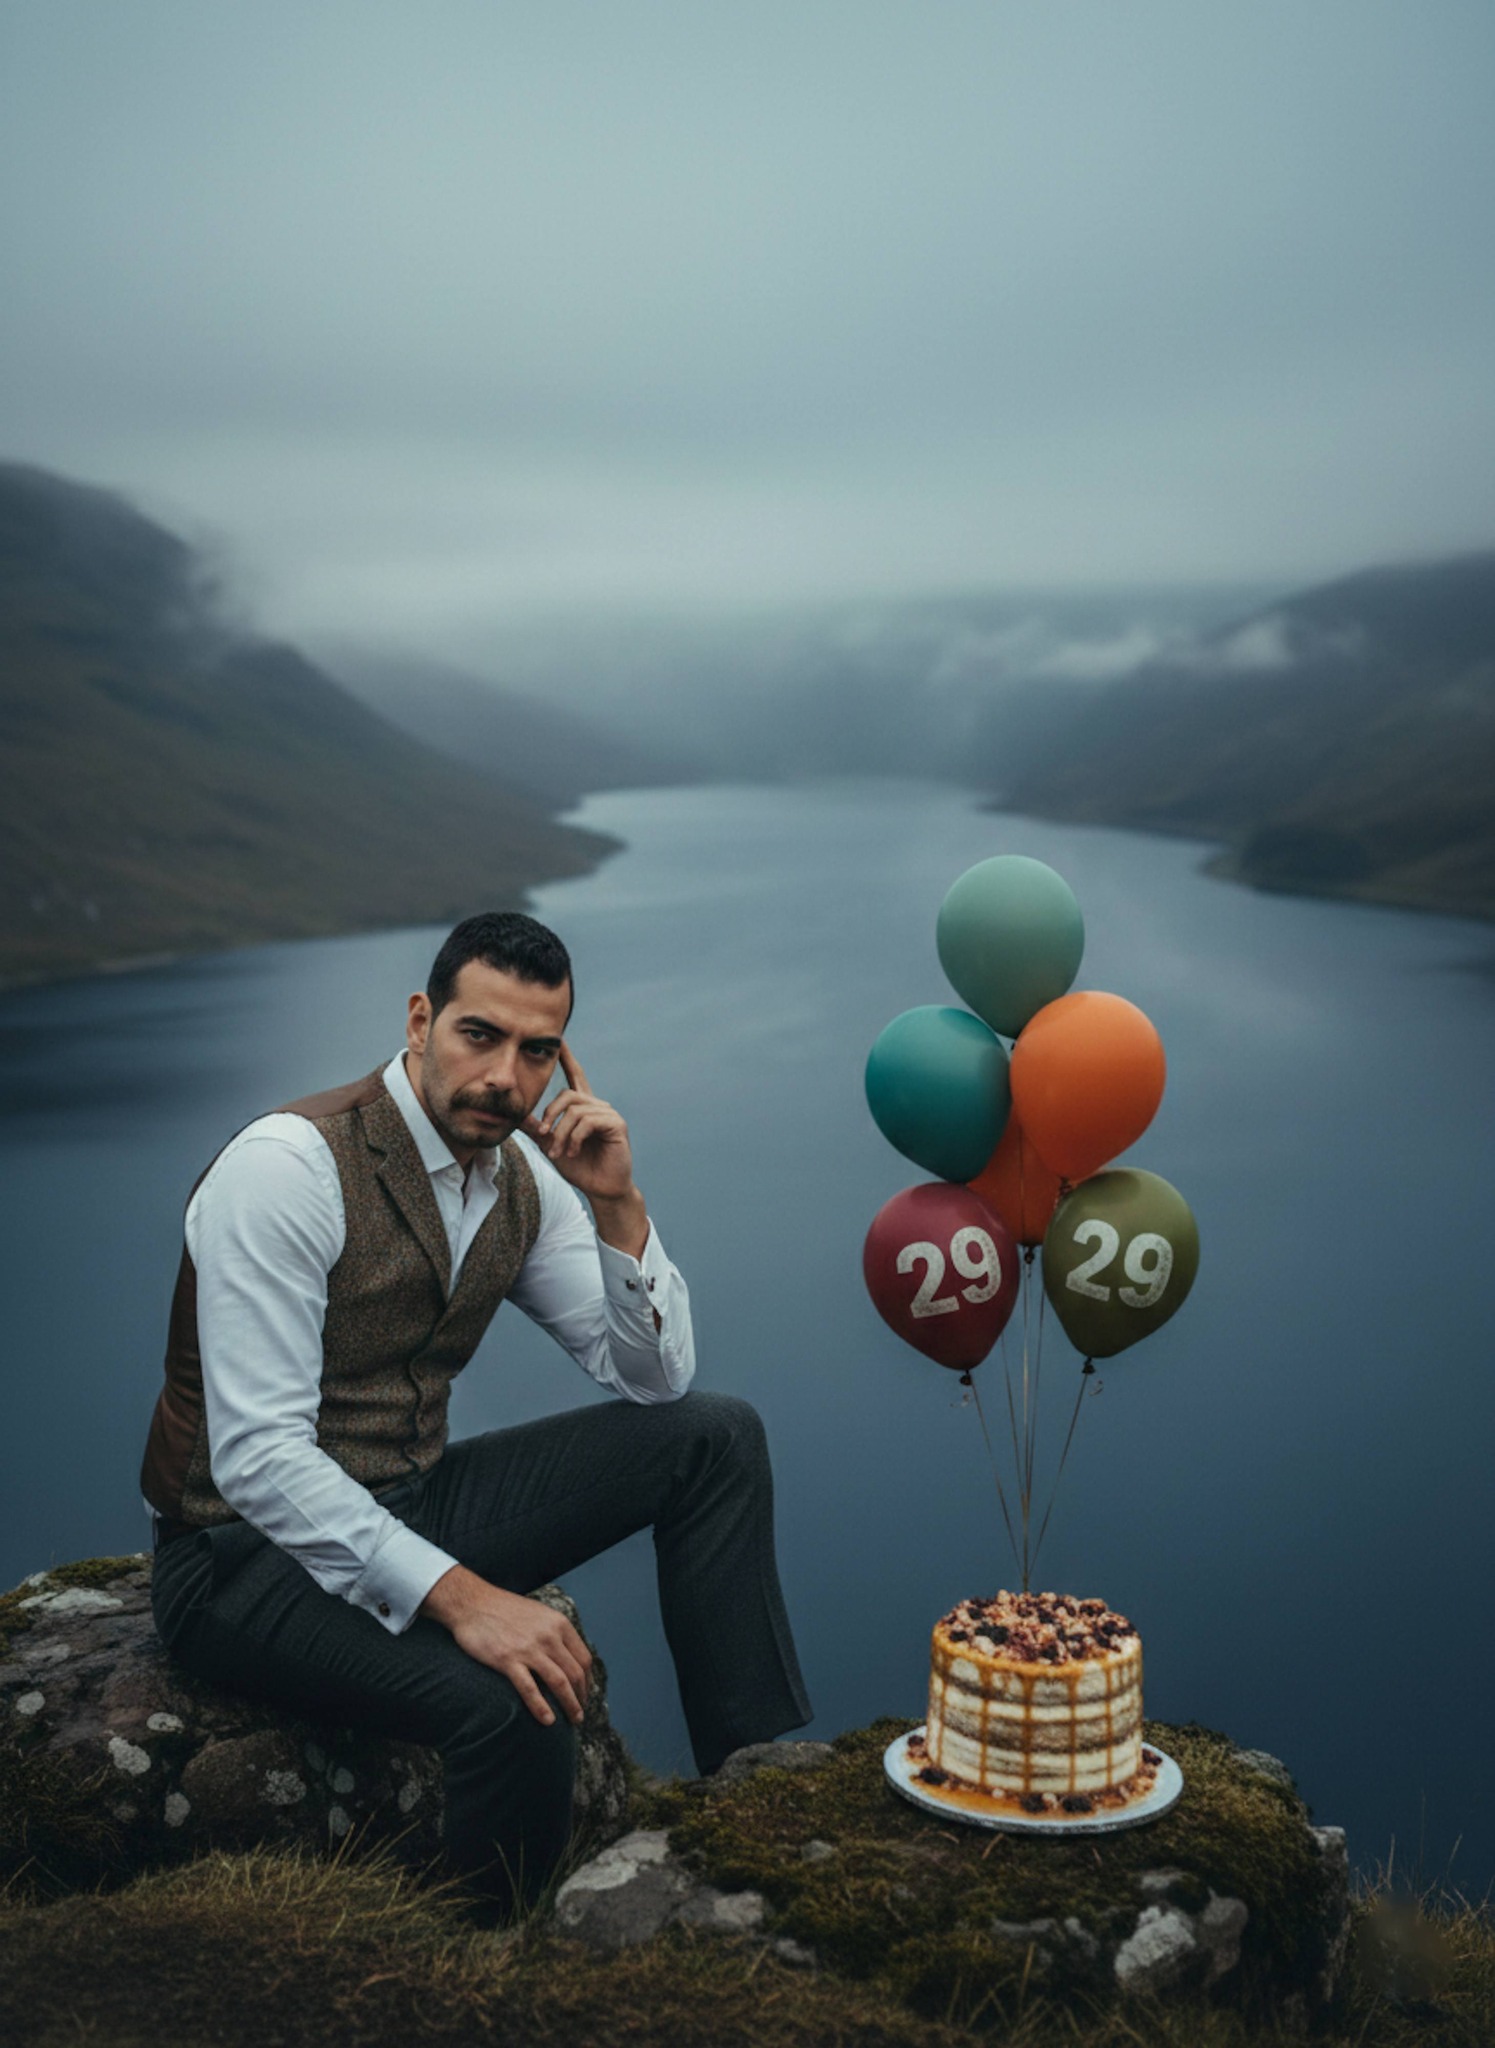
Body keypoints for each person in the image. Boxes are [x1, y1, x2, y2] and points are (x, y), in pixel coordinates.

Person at [142, 910, 811, 1916]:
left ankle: (752, 1788)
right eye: (479, 1035)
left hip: (406, 1501)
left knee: (715, 1436)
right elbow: (256, 1459)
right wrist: (467, 1598)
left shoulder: (521, 1181)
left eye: (537, 1050)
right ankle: (486, 1961)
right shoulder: (288, 1167)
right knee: (517, 1702)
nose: (506, 1075)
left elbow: (652, 1380)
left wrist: (620, 1208)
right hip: (235, 1560)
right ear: (420, 1019)